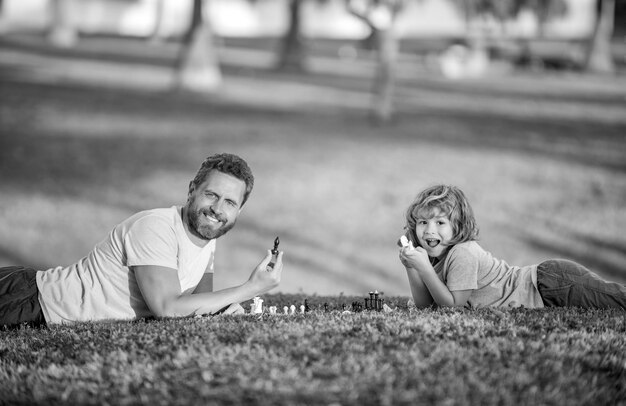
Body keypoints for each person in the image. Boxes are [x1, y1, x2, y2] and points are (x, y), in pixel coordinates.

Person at [0, 153, 284, 328]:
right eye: (211, 195)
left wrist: (224, 308)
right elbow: (168, 308)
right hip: (30, 301)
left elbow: (197, 303)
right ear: (192, 190)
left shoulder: (207, 236)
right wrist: (248, 290)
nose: (217, 209)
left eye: (229, 202)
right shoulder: (156, 227)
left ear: (239, 210)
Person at [398, 184, 626, 310]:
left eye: (440, 223)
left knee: (616, 300)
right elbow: (426, 305)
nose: (429, 230)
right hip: (548, 288)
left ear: (457, 227)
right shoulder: (436, 258)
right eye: (423, 222)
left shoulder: (462, 252)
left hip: (550, 284)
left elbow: (453, 306)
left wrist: (425, 270)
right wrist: (412, 266)